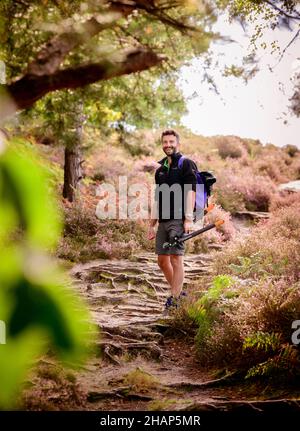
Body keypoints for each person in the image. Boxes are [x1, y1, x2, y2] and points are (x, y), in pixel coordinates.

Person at [147, 129, 198, 311]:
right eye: (165, 142)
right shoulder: (160, 170)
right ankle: (179, 292)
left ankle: (175, 299)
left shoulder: (186, 164)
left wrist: (188, 219)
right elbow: (157, 197)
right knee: (162, 261)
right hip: (163, 220)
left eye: (171, 142)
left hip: (178, 219)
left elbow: (191, 191)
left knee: (176, 258)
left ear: (178, 143)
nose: (168, 145)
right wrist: (151, 224)